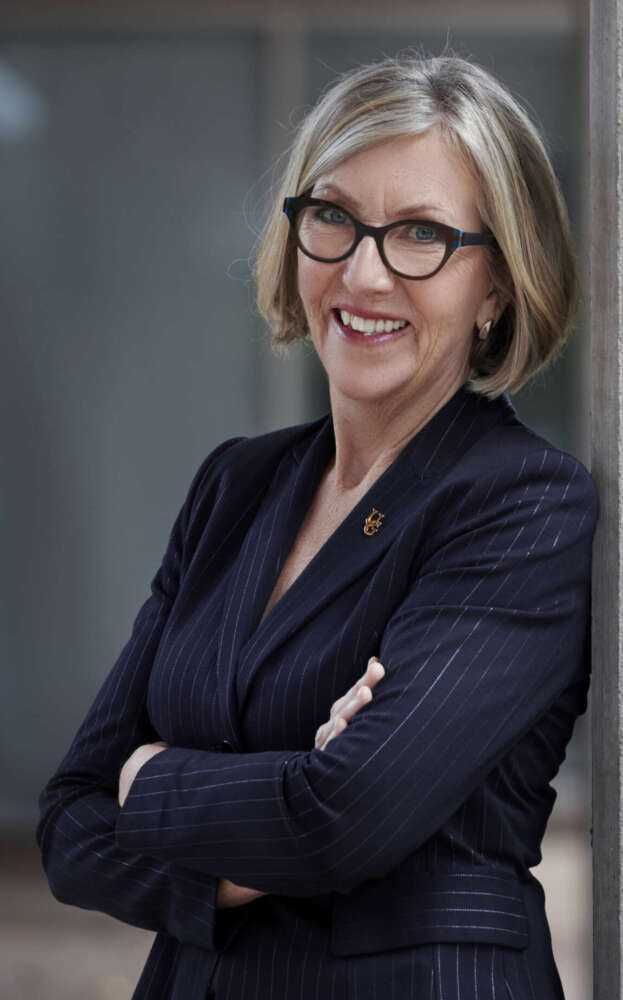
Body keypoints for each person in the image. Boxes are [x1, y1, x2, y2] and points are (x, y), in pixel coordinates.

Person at [37, 53, 598, 1000]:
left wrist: (152, 776)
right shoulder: (236, 484)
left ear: (497, 287)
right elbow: (67, 824)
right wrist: (281, 809)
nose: (363, 272)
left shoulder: (521, 504)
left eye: (420, 233)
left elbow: (343, 819)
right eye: (333, 217)